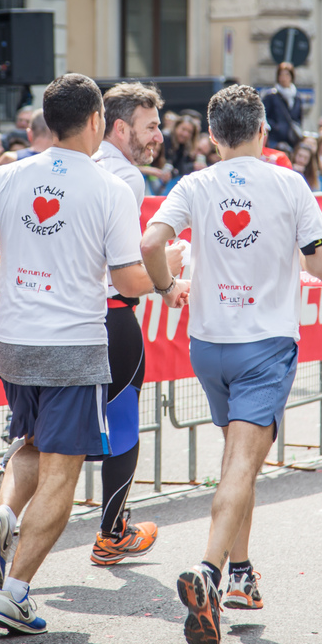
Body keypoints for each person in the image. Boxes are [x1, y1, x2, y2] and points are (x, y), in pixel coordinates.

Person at [0, 73, 155, 635]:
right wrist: (168, 276)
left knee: (32, 443)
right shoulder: (110, 188)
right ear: (95, 121)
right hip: (73, 344)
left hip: (14, 341)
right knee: (62, 474)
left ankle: (2, 514)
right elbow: (128, 281)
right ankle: (13, 594)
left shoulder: (8, 173)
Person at [140, 84, 322, 644]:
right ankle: (209, 569)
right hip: (264, 345)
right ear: (263, 130)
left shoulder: (195, 183)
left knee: (236, 461)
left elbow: (151, 242)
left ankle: (243, 574)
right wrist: (310, 247)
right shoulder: (289, 183)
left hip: (209, 345)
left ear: (212, 135)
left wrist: (166, 288)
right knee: (241, 466)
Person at [88, 82, 176, 565]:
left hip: (57, 319)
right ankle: (112, 533)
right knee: (121, 421)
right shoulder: (125, 177)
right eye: (151, 126)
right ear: (119, 128)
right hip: (111, 315)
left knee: (46, 432)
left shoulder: (78, 164)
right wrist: (168, 274)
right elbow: (126, 273)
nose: (159, 136)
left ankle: (5, 496)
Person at [261, 62, 303, 153]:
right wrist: (277, 127)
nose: (284, 78)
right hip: (275, 140)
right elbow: (264, 116)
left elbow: (299, 118)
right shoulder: (271, 96)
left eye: (287, 75)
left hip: (291, 140)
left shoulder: (297, 97)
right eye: (281, 75)